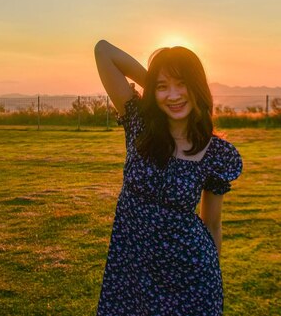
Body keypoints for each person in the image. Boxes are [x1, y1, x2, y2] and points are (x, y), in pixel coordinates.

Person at [94, 39, 243, 315]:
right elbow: (103, 51)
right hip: (132, 274)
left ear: (196, 87)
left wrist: (213, 280)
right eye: (163, 87)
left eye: (181, 83)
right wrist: (152, 85)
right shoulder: (139, 124)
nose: (173, 95)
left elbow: (211, 224)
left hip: (192, 278)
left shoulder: (215, 153)